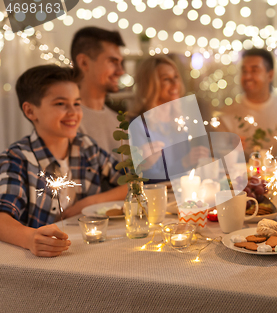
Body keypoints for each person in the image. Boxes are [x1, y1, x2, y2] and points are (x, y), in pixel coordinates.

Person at [0, 65, 127, 257]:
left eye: (76, 103)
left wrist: (88, 203)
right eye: (60, 104)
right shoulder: (17, 159)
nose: (73, 112)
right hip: (40, 264)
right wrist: (29, 238)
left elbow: (130, 184)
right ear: (30, 111)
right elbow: (2, 218)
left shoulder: (85, 147)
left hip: (90, 252)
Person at [129, 56, 209, 181]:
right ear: (150, 84)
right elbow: (147, 179)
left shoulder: (181, 121)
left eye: (176, 77)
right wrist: (185, 162)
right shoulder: (138, 125)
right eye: (166, 79)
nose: (175, 83)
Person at [218, 48, 277, 159]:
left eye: (254, 71)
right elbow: (217, 158)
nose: (247, 77)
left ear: (270, 75)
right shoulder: (227, 113)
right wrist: (231, 152)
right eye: (244, 71)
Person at [71, 26, 125, 156]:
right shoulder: (67, 121)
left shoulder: (118, 123)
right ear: (84, 62)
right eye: (112, 62)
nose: (120, 71)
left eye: (120, 63)